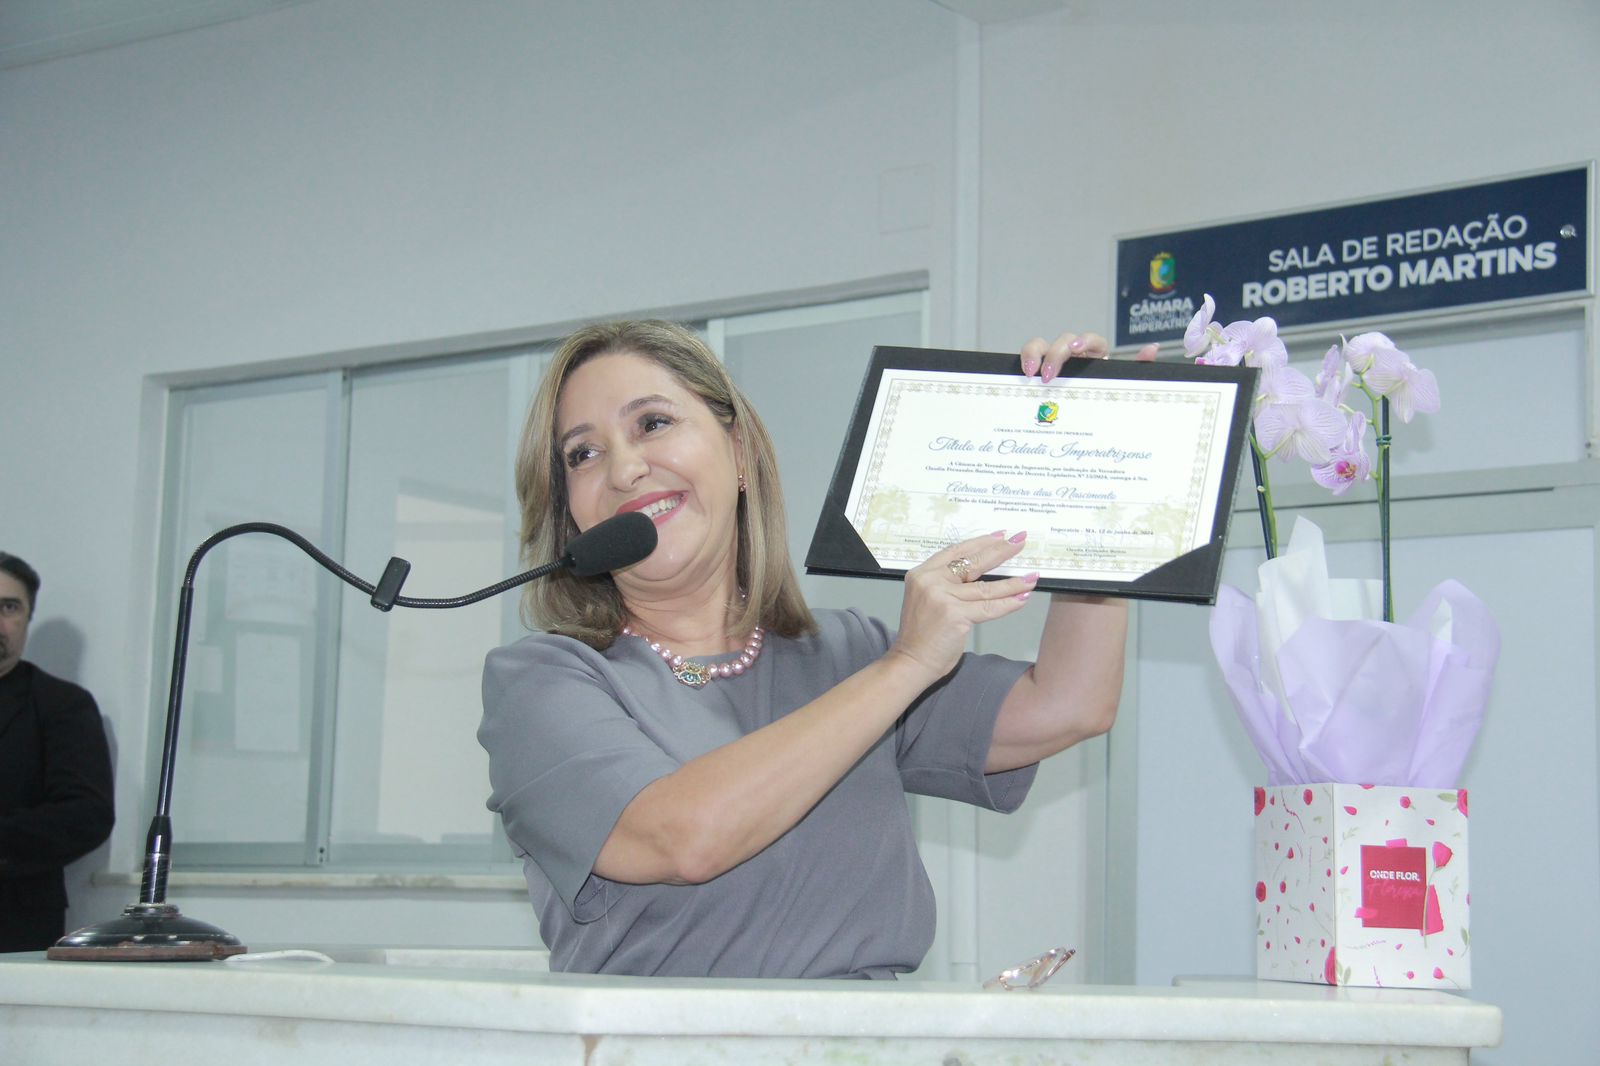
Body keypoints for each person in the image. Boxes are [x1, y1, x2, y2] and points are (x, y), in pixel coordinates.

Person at [480, 321, 1155, 978]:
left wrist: (1094, 486)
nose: (626, 468)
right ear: (568, 508)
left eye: (652, 424)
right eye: (583, 453)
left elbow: (1070, 705)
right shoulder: (541, 684)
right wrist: (907, 667)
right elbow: (681, 838)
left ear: (738, 453)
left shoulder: (845, 652)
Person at [0, 552, 115, 953]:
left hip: (12, 927)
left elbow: (87, 815)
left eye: (9, 607)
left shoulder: (61, 704)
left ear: (27, 618)